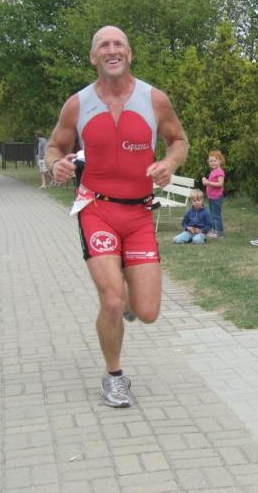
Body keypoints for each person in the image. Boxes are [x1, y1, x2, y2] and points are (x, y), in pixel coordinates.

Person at [45, 25, 188, 408]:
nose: (112, 50)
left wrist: (169, 163)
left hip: (139, 214)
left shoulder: (154, 99)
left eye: (119, 44)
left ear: (129, 53)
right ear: (94, 57)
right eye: (104, 46)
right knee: (110, 299)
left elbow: (178, 140)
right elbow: (55, 146)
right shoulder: (77, 104)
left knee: (148, 312)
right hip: (97, 207)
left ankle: (126, 297)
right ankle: (114, 376)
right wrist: (56, 165)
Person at [201, 150, 226, 238]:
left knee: (216, 215)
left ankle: (219, 232)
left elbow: (220, 184)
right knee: (212, 215)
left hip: (216, 197)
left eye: (215, 160)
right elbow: (210, 182)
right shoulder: (213, 171)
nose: (212, 163)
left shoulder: (219, 171)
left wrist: (208, 182)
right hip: (211, 197)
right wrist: (205, 180)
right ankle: (214, 231)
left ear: (220, 161)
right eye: (211, 161)